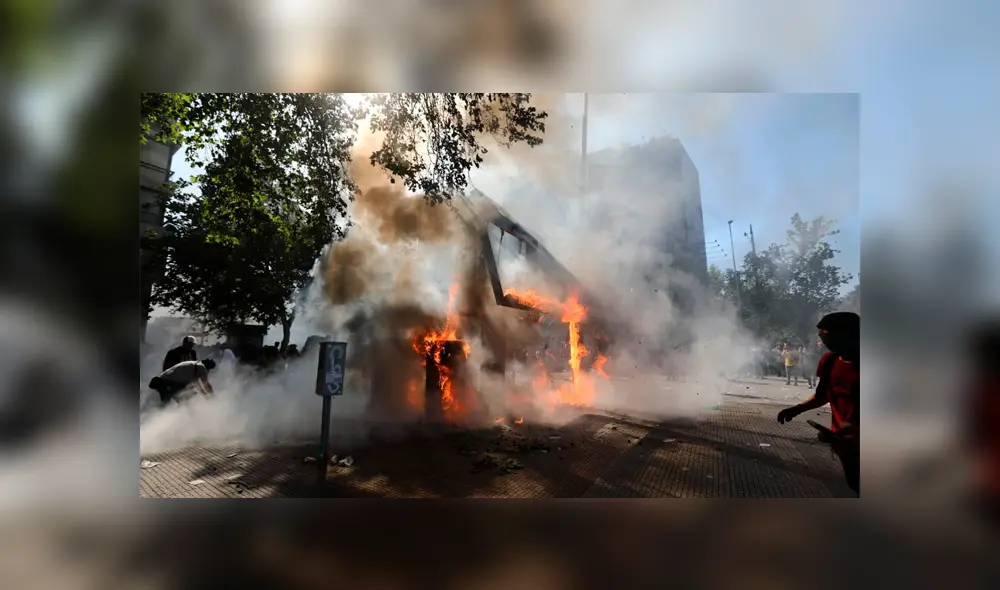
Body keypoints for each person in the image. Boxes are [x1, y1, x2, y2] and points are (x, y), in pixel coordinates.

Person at [776, 312, 860, 495]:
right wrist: (796, 409)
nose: (822, 336)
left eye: (827, 332)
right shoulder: (829, 361)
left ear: (849, 333)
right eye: (821, 332)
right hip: (843, 444)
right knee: (855, 484)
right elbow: (822, 396)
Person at [149, 358, 217, 406]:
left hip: (163, 380)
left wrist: (205, 396)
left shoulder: (194, 365)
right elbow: (206, 384)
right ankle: (183, 413)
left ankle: (164, 409)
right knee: (188, 394)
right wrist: (212, 397)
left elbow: (198, 386)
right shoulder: (201, 367)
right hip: (169, 382)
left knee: (184, 395)